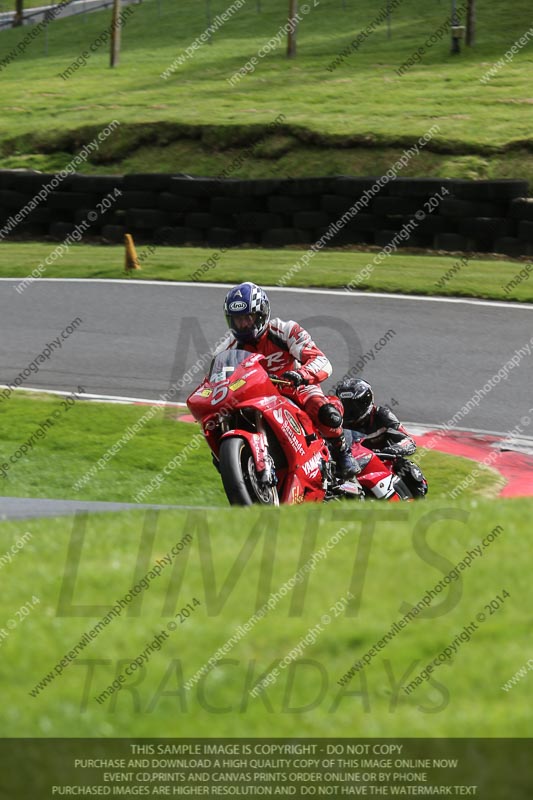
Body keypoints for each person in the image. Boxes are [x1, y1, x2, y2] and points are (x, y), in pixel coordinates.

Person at [214, 282, 357, 478]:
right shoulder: (225, 350)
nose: (244, 324)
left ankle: (342, 452)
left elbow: (321, 360)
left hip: (294, 388)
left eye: (248, 318)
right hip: (253, 398)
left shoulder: (286, 330)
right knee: (218, 422)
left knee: (323, 410)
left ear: (262, 314)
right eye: (238, 320)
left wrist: (301, 375)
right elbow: (215, 383)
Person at [334, 377, 428, 497]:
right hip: (349, 462)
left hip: (382, 461)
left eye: (353, 406)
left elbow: (408, 440)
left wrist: (394, 449)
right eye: (344, 405)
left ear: (365, 402)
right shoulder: (336, 421)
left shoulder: (381, 415)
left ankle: (417, 502)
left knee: (409, 470)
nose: (348, 410)